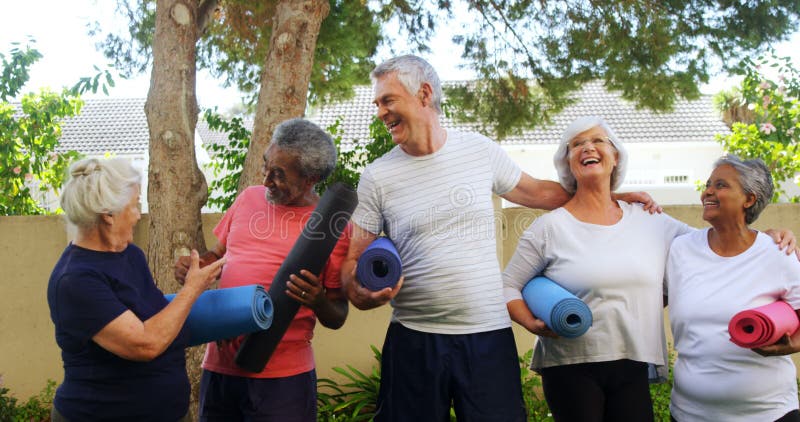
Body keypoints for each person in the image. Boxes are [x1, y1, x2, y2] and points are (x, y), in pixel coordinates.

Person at [341, 56, 655, 421]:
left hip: (487, 337)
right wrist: (359, 292)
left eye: (387, 100)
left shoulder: (477, 150)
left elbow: (537, 192)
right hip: (414, 339)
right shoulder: (377, 177)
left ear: (424, 93)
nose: (380, 111)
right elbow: (353, 260)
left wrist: (608, 197)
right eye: (378, 103)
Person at [501, 117, 797, 421]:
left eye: (598, 141)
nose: (587, 147)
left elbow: (718, 239)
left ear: (616, 157)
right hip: (570, 364)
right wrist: (531, 323)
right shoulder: (549, 228)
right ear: (568, 163)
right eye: (576, 144)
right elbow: (508, 285)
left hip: (633, 364)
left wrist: (770, 237)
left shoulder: (652, 222)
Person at [174, 118, 349, 422]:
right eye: (266, 166)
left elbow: (338, 315)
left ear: (310, 178)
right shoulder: (248, 199)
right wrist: (195, 267)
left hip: (283, 380)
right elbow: (216, 255)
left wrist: (318, 299)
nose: (266, 180)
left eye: (278, 175)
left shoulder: (332, 228)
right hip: (220, 370)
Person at [47, 157, 225, 422]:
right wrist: (192, 289)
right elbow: (145, 343)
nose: (138, 215)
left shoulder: (130, 255)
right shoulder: (75, 280)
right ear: (108, 214)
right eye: (134, 206)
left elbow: (155, 317)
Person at [666, 156, 800, 422]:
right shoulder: (681, 249)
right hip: (690, 414)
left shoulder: (778, 253)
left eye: (721, 185)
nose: (708, 192)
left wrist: (788, 347)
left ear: (749, 199)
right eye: (707, 185)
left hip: (768, 414)